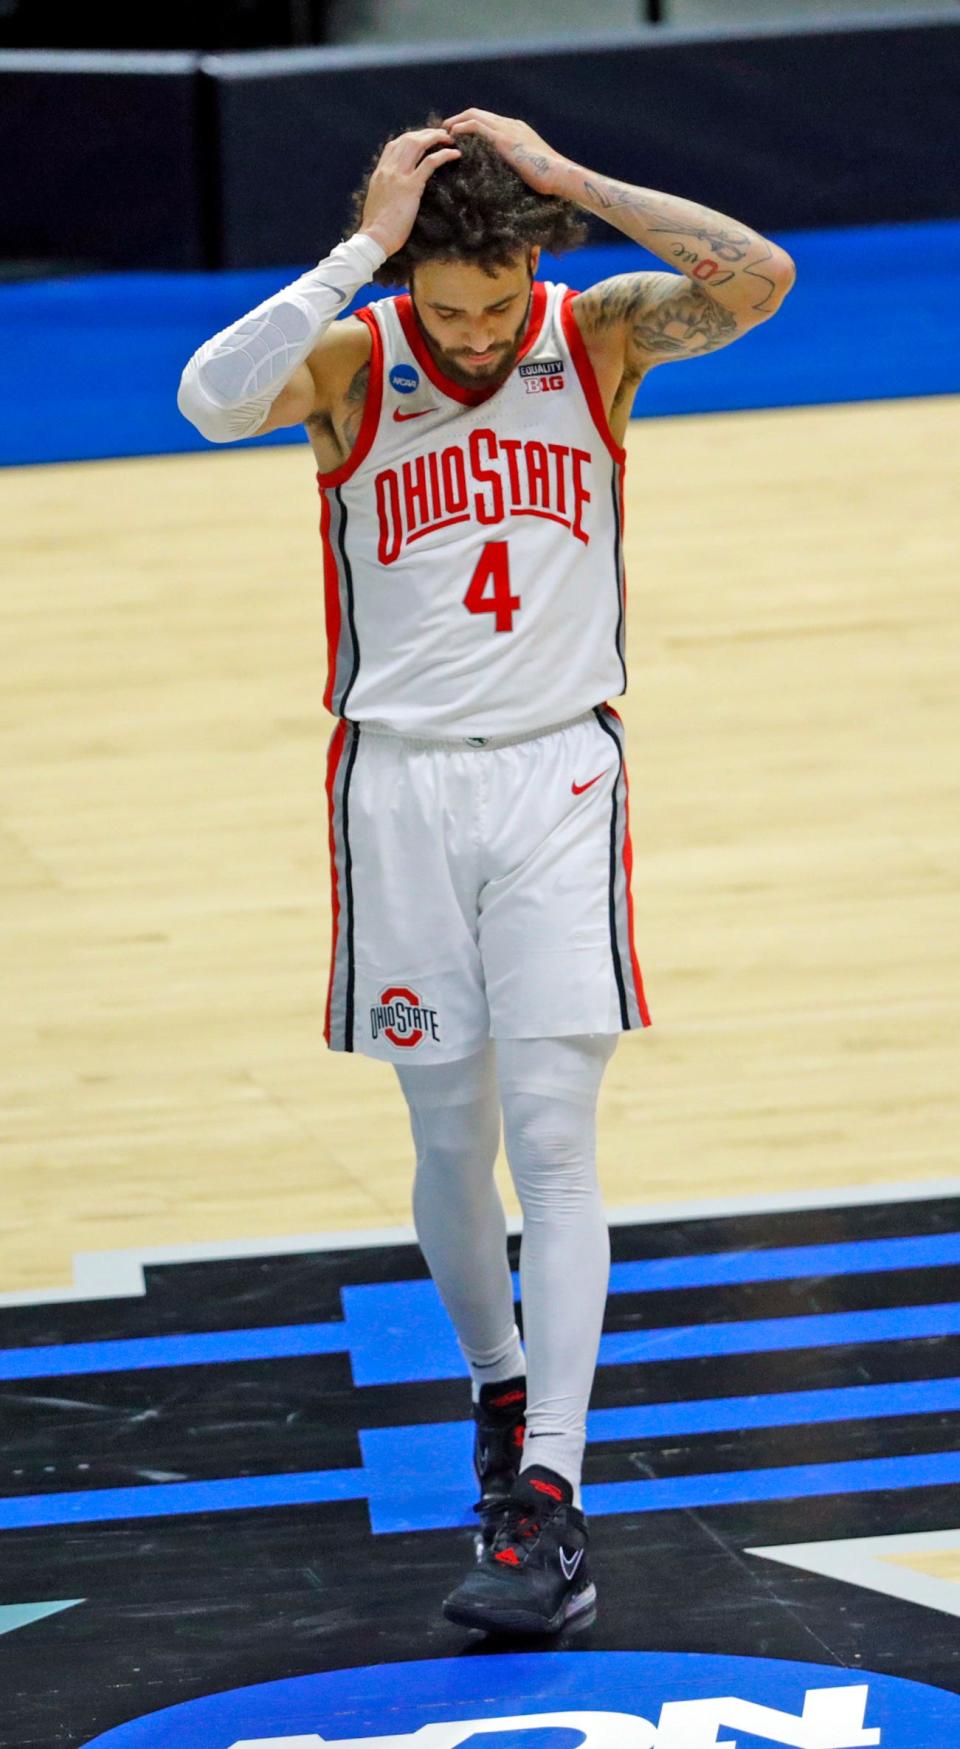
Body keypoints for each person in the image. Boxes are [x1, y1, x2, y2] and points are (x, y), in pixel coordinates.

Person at [177, 107, 795, 1636]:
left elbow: (762, 276)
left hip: (559, 774)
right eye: (443, 304)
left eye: (494, 299)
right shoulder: (355, 358)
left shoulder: (594, 339)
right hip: (394, 786)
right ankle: (501, 1391)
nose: (470, 331)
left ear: (536, 267)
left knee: (556, 1136)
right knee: (451, 1137)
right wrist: (365, 251)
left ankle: (553, 1498)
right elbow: (204, 400)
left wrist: (574, 183)